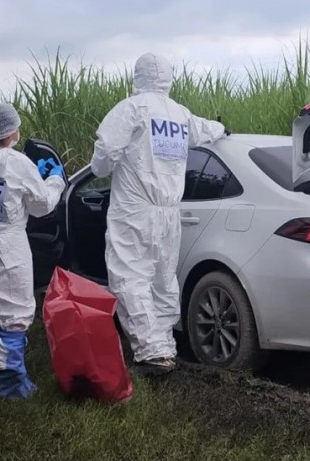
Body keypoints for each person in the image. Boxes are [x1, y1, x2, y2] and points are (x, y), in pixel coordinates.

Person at [89, 52, 227, 375]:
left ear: (137, 76)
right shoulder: (178, 115)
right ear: (167, 78)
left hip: (135, 210)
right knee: (163, 280)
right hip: (169, 214)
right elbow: (206, 129)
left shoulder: (132, 109)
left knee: (129, 277)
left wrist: (101, 168)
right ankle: (164, 345)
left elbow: (105, 153)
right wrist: (223, 128)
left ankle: (152, 353)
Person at [0, 103, 65, 398]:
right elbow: (42, 206)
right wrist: (55, 179)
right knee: (15, 313)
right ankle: (10, 381)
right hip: (7, 245)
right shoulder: (16, 163)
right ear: (11, 131)